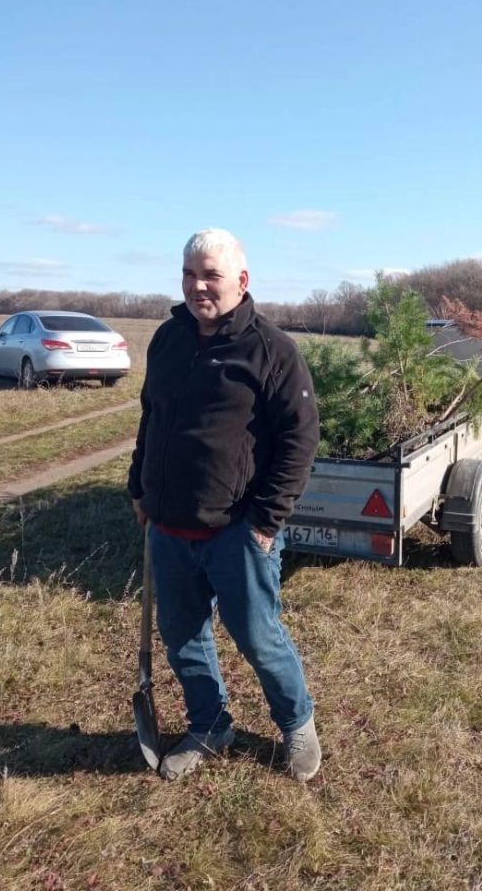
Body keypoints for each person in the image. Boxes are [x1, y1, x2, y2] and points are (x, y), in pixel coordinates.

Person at [128, 228, 321, 782]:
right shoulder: (167, 339)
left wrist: (265, 521)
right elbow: (151, 417)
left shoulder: (271, 350)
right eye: (189, 274)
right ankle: (210, 724)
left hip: (238, 530)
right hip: (169, 527)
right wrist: (139, 487)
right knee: (183, 637)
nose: (197, 286)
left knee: (260, 639)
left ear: (241, 280)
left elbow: (300, 438)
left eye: (210, 275)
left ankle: (297, 726)